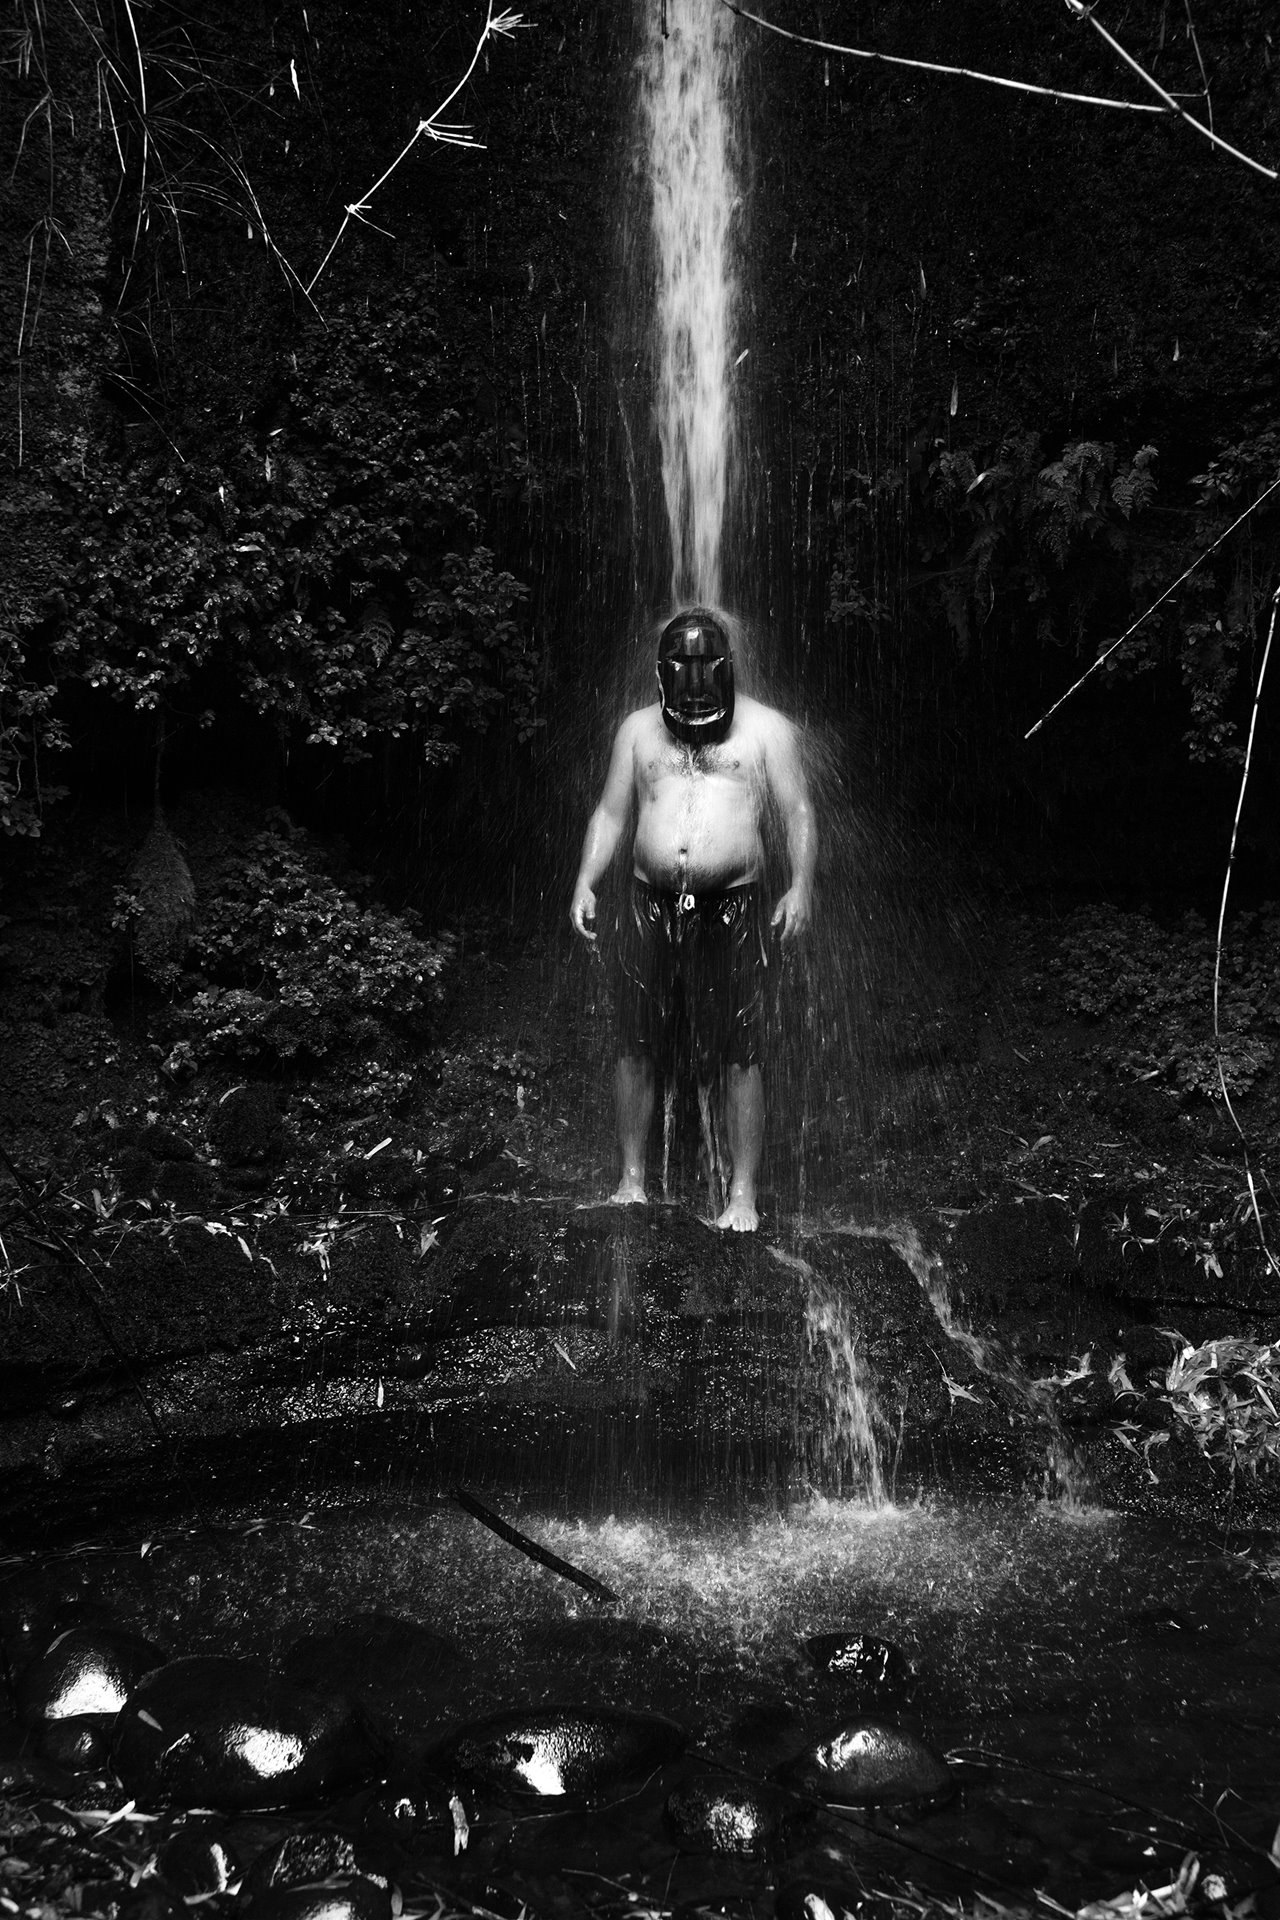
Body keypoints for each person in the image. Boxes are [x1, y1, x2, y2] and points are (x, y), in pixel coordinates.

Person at [569, 608, 815, 1231]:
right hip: (650, 901)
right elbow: (610, 814)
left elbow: (798, 813)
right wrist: (585, 879)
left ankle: (742, 1195)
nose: (698, 687)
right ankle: (630, 1180)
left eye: (710, 673)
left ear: (728, 671)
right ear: (663, 678)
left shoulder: (767, 731)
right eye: (685, 674)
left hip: (736, 903)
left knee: (742, 1046)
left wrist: (801, 886)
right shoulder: (637, 732)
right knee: (635, 1038)